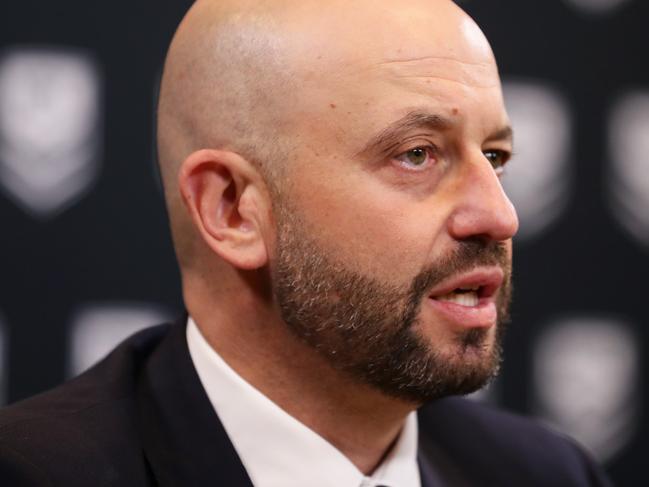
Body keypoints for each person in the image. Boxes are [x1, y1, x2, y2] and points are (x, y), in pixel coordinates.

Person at [0, 0, 612, 485]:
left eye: (495, 156)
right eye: (418, 154)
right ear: (233, 209)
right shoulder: (38, 472)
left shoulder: (550, 474)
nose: (500, 217)